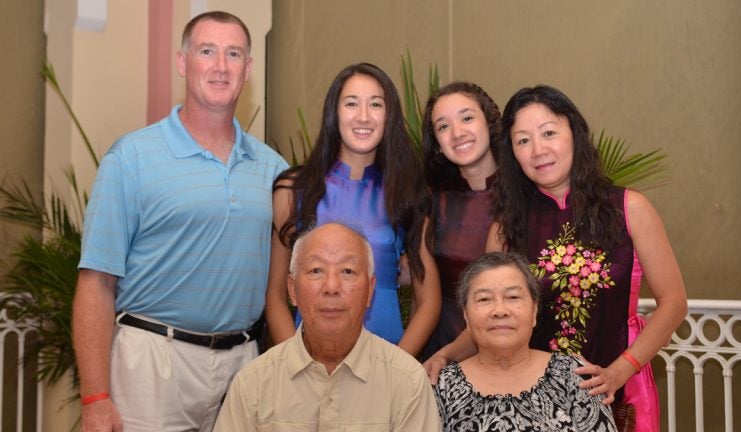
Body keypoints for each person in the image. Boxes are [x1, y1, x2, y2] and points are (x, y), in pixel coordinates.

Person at [72, 11, 289, 432]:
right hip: (151, 364)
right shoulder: (131, 159)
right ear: (182, 62)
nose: (221, 66)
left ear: (248, 69)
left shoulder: (273, 169)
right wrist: (95, 397)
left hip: (243, 363)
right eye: (207, 51)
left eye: (234, 54)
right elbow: (96, 283)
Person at [428, 85, 688, 431]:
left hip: (614, 390)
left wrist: (620, 370)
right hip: (533, 404)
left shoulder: (629, 208)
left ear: (574, 135)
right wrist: (446, 355)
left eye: (549, 133)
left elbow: (674, 303)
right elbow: (490, 314)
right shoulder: (506, 227)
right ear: (513, 155)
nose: (538, 150)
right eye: (523, 141)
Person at [265, 63, 440, 356]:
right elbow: (275, 295)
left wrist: (397, 369)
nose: (363, 116)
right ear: (334, 113)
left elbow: (429, 301)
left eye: (375, 104)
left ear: (389, 116)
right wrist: (293, 366)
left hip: (385, 361)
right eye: (351, 104)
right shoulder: (293, 189)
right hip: (307, 361)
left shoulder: (407, 194)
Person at [214, 223, 441, 431]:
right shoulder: (253, 383)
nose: (331, 286)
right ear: (292, 290)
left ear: (370, 291)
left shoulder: (407, 382)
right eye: (316, 271)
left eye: (347, 271)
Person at [433, 251, 617, 431]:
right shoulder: (441, 387)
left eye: (513, 297)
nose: (500, 310)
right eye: (484, 299)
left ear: (534, 311)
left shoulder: (574, 374)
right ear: (466, 316)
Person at [420, 82, 500, 360]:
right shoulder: (432, 202)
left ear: (489, 123)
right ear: (438, 145)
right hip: (439, 353)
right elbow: (424, 299)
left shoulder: (526, 197)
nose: (457, 133)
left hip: (506, 353)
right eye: (443, 126)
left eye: (467, 118)